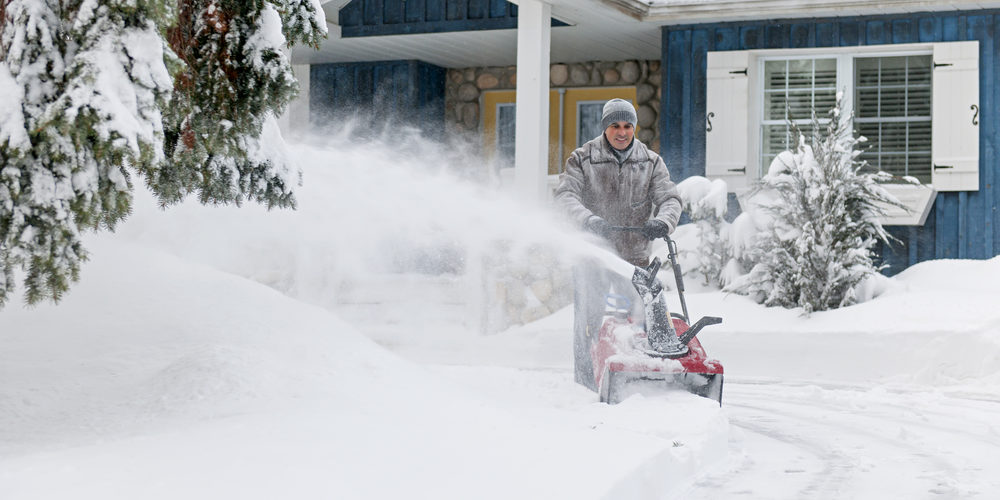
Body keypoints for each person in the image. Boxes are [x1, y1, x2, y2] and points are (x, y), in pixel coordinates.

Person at [554, 98, 683, 390]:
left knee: (641, 321)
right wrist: (589, 220)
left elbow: (670, 199)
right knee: (590, 322)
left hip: (634, 259)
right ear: (605, 127)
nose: (622, 132)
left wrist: (663, 221)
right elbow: (565, 197)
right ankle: (587, 384)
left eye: (628, 126)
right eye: (615, 125)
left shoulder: (650, 162)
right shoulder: (583, 159)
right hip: (594, 257)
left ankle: (641, 380)